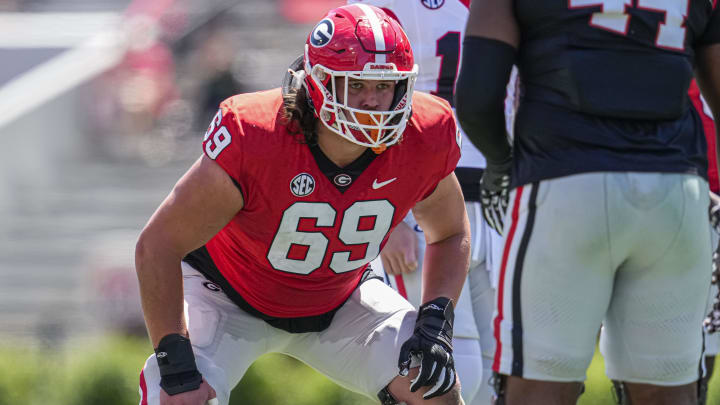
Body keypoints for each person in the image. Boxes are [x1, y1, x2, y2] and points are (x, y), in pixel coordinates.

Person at [135, 4, 471, 405]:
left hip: (340, 297)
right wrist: (175, 361)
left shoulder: (424, 134)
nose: (372, 102)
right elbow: (157, 245)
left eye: (384, 87)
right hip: (223, 295)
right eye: (356, 85)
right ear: (320, 83)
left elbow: (450, 232)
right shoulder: (256, 134)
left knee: (435, 388)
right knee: (179, 399)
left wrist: (436, 320)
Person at [455, 1, 720, 404]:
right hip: (676, 191)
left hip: (563, 183)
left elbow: (476, 97)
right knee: (670, 391)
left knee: (538, 388)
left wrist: (502, 162)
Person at [346, 1, 517, 403]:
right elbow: (354, 108)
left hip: (503, 198)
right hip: (421, 197)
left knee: (504, 373)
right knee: (443, 371)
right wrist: (389, 218)